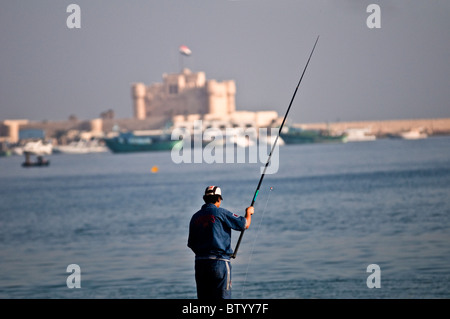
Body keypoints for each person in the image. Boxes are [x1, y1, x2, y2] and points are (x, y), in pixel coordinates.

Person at [188, 185, 254, 299]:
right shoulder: (221, 213)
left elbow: (191, 244)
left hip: (200, 264)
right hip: (220, 263)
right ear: (218, 199)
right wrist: (248, 212)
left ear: (205, 199)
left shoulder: (195, 217)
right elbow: (245, 224)